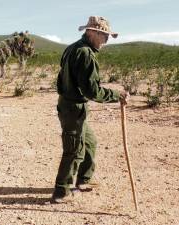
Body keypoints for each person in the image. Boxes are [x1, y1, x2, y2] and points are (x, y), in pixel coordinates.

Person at [52, 16, 129, 203]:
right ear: (91, 32)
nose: (106, 40)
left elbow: (61, 79)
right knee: (72, 149)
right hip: (73, 107)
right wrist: (116, 95)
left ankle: (83, 180)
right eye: (104, 35)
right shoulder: (85, 53)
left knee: (90, 142)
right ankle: (61, 192)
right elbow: (92, 91)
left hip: (70, 105)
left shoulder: (72, 48)